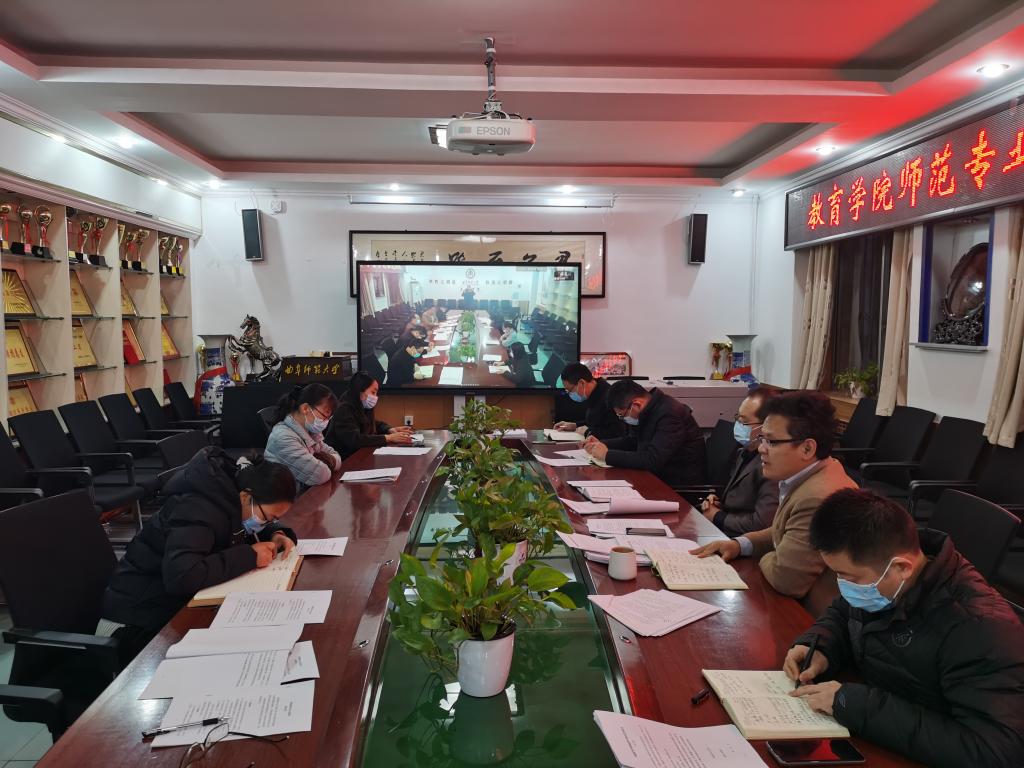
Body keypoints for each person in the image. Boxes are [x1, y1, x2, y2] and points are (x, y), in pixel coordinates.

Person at [783, 489, 1024, 768]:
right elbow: (844, 612)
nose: (843, 586)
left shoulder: (978, 630)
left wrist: (856, 704)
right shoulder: (884, 579)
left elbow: (994, 752)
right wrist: (820, 645)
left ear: (902, 567)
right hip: (887, 726)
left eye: (849, 577)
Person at [100, 447, 298, 661]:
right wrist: (249, 556)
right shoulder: (197, 507)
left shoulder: (228, 497)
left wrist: (275, 533)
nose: (266, 523)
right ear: (246, 496)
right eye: (268, 518)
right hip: (133, 621)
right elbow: (182, 577)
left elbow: (236, 527)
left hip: (167, 605)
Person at [691, 390, 856, 613]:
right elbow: (782, 530)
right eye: (762, 439)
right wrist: (739, 544)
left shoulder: (818, 497)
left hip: (807, 614)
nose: (761, 448)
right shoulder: (815, 472)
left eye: (771, 441)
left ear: (807, 448)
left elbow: (785, 580)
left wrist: (773, 555)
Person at [583, 379, 706, 487]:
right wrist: (602, 444)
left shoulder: (669, 415)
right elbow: (633, 441)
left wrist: (607, 455)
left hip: (677, 485)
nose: (622, 419)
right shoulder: (648, 410)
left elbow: (652, 460)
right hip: (655, 477)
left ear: (636, 404)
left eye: (622, 415)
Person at [701, 386, 781, 536]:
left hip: (743, 540)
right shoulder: (745, 450)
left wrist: (718, 517)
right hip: (726, 531)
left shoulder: (772, 464)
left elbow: (762, 523)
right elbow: (738, 499)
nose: (738, 424)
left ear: (765, 426)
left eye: (744, 421)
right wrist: (717, 503)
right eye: (737, 418)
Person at [263, 383, 342, 492]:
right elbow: (321, 475)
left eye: (329, 418)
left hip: (303, 492)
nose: (326, 422)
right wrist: (326, 459)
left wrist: (325, 459)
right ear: (305, 408)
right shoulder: (283, 437)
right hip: (284, 498)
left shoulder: (310, 432)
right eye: (324, 416)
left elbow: (336, 457)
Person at [326, 370, 414, 459]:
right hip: (343, 460)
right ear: (360, 391)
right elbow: (355, 440)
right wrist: (388, 438)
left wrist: (390, 429)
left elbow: (372, 423)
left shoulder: (361, 405)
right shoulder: (344, 409)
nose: (375, 397)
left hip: (359, 456)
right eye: (373, 392)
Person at [553, 362, 625, 440]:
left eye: (570, 390)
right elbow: (594, 422)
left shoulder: (610, 398)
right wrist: (575, 425)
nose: (570, 394)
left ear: (582, 383)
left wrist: (588, 431)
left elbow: (616, 433)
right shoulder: (593, 394)